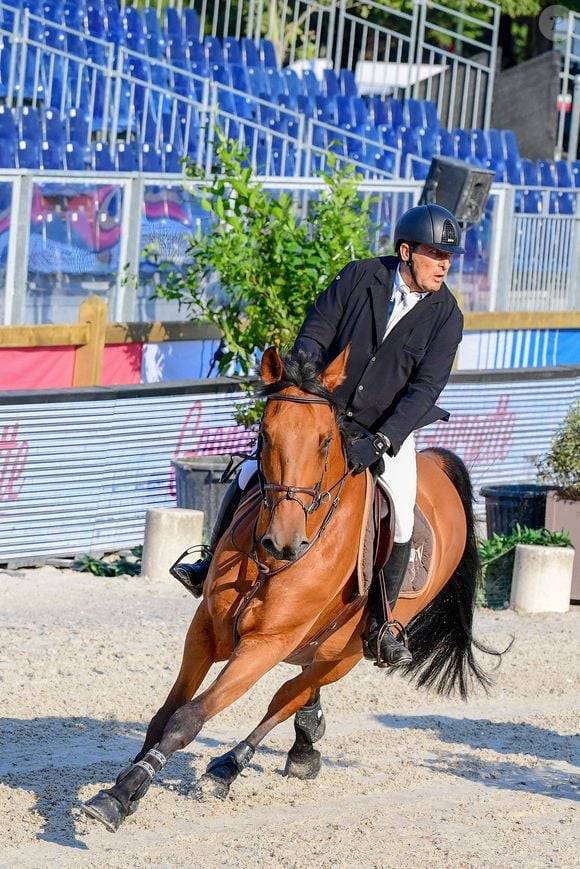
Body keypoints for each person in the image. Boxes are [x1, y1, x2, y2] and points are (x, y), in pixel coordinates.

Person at [171, 203, 465, 668]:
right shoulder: (359, 278)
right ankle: (209, 562)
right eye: (435, 254)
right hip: (320, 413)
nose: (444, 264)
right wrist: (302, 390)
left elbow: (425, 389)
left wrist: (384, 440)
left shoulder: (447, 316)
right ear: (406, 252)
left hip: (385, 430)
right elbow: (314, 335)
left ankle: (382, 623)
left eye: (449, 256)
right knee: (250, 472)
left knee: (403, 514)